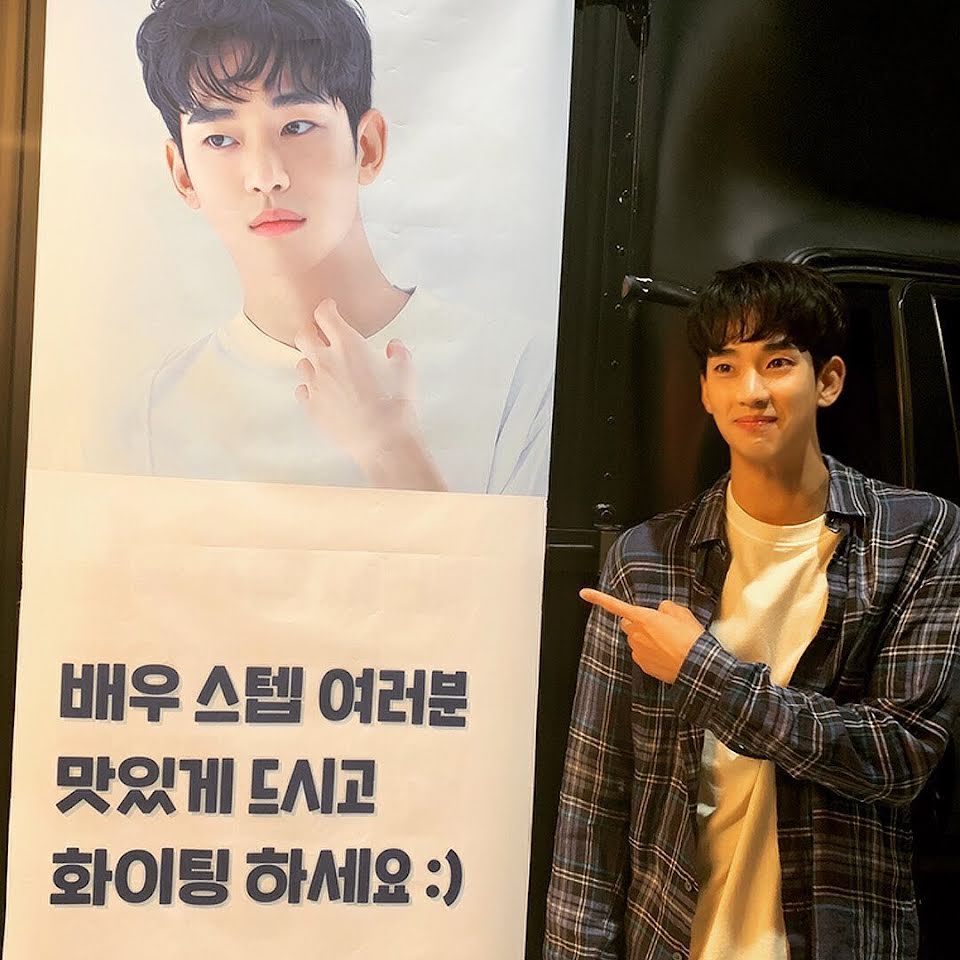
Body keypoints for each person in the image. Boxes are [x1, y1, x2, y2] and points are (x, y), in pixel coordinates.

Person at [544, 260, 960, 960]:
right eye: (726, 367)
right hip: (677, 937)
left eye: (777, 362)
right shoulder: (649, 560)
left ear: (827, 380)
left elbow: (900, 755)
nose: (752, 390)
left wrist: (701, 672)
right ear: (705, 392)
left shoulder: (917, 535)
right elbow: (594, 801)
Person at [123, 0, 552, 494]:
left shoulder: (520, 374)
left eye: (296, 127)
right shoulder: (157, 409)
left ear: (367, 147)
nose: (266, 176)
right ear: (182, 174)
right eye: (220, 140)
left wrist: (390, 448)